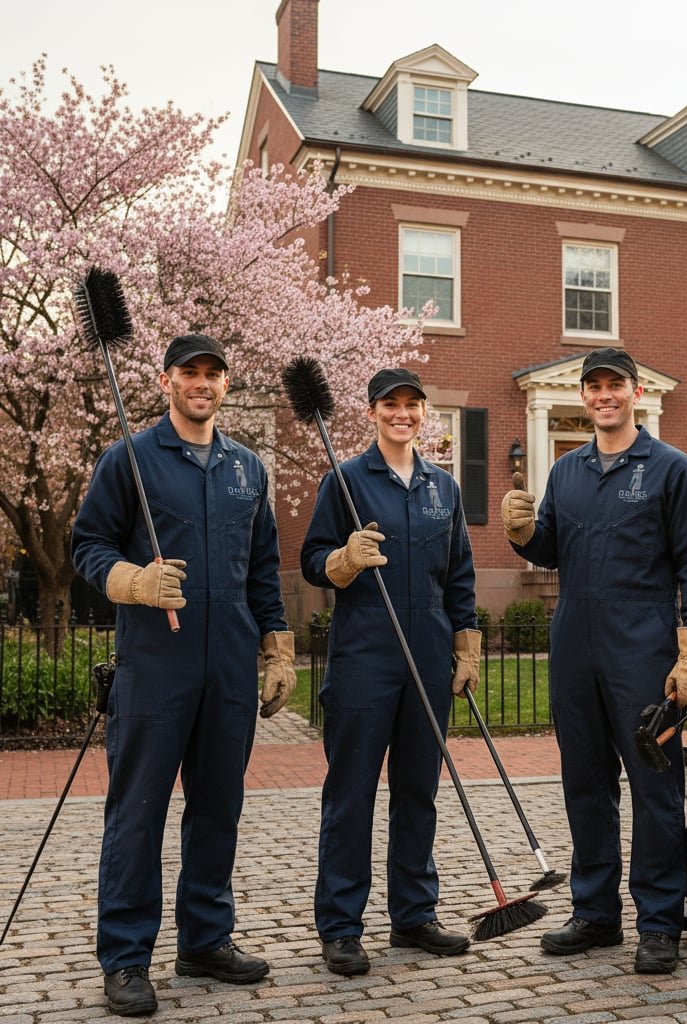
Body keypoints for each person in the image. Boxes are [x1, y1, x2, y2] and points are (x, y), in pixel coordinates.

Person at [71, 333, 297, 1017]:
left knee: (218, 807)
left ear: (225, 385)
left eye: (214, 374)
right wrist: (133, 580)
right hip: (154, 665)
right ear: (166, 381)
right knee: (137, 813)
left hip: (228, 663)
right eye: (189, 373)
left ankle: (205, 938)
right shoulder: (130, 460)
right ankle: (126, 957)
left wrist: (278, 646)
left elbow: (262, 569)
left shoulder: (247, 468)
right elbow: (87, 544)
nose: (203, 383)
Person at [501, 347, 687, 975]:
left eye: (614, 386)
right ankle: (595, 913)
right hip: (574, 645)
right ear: (584, 395)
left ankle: (659, 921)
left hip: (643, 646)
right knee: (585, 785)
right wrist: (524, 534)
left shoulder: (672, 470)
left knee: (653, 786)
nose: (603, 396)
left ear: (636, 394)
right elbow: (552, 549)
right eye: (593, 387)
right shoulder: (567, 472)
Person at [300, 367, 480, 977]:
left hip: (427, 653)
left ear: (422, 413)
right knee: (350, 792)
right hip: (364, 656)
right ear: (373, 412)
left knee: (417, 789)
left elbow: (459, 575)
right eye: (390, 405)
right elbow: (311, 562)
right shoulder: (345, 480)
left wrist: (467, 646)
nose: (402, 414)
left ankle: (414, 913)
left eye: (411, 405)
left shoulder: (443, 488)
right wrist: (344, 560)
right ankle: (342, 927)